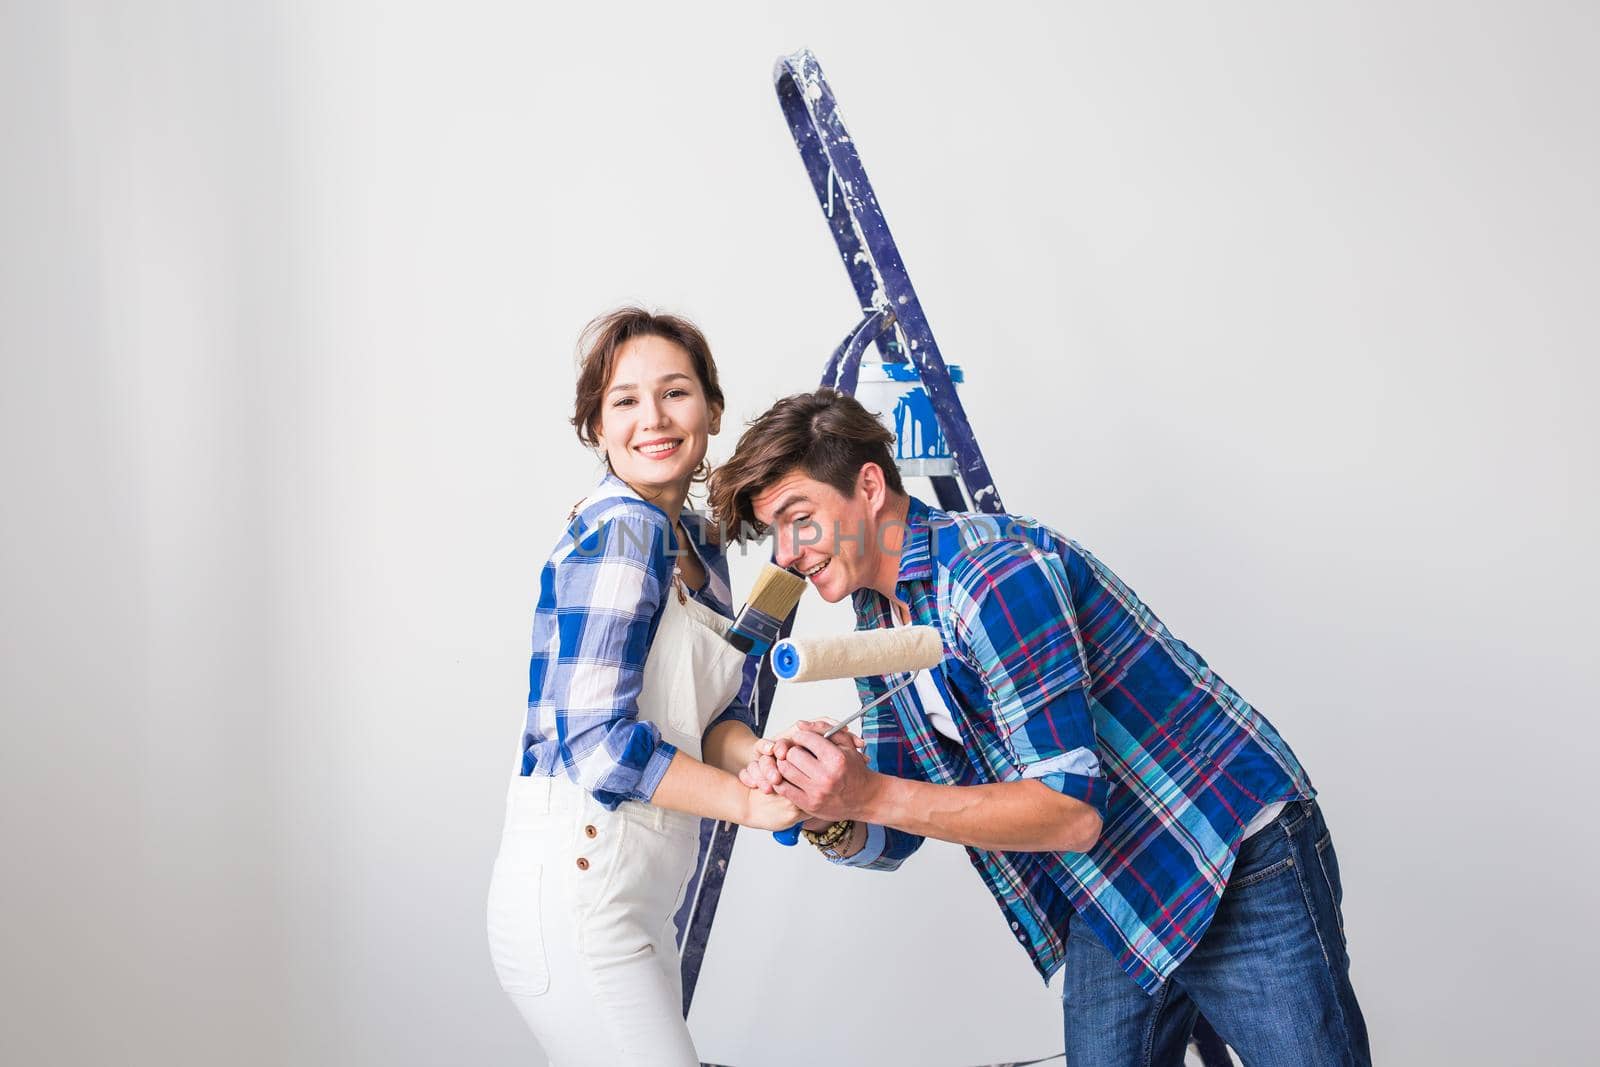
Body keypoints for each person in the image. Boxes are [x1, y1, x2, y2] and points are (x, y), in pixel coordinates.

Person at [710, 388, 1370, 1067]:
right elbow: (898, 828)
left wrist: (866, 792)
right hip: (1111, 888)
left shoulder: (989, 576)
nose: (787, 553)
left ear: (869, 486)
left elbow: (1071, 811)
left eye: (799, 518)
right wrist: (824, 803)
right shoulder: (879, 625)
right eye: (775, 532)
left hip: (1227, 852)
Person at [485, 308, 804, 1066]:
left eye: (675, 393)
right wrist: (748, 804)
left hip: (633, 897)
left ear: (712, 410)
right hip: (578, 893)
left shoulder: (695, 541)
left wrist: (761, 757)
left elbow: (708, 712)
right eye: (624, 400)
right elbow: (596, 743)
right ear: (596, 425)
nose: (652, 418)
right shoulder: (623, 532)